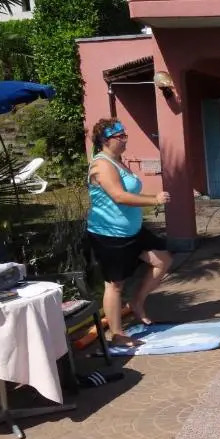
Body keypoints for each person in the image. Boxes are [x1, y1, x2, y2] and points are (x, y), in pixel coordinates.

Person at [87, 118, 172, 347]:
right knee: (115, 284)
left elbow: (130, 192)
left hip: (132, 230)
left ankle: (136, 303)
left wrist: (152, 197)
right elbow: (119, 196)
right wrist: (154, 200)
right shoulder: (102, 165)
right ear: (105, 140)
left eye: (125, 135)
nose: (125, 140)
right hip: (110, 234)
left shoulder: (118, 162)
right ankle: (117, 334)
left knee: (162, 260)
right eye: (120, 136)